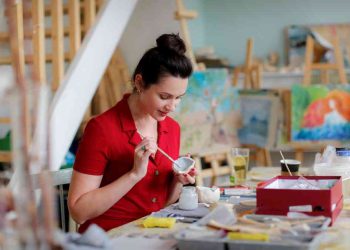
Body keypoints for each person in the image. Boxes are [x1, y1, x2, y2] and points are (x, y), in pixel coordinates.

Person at [68, 33, 196, 233]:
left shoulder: (172, 129)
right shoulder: (101, 129)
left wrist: (177, 182)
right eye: (164, 96)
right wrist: (134, 174)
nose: (172, 106)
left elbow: (161, 205)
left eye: (179, 97)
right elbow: (78, 212)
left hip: (151, 234)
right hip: (107, 239)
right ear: (139, 83)